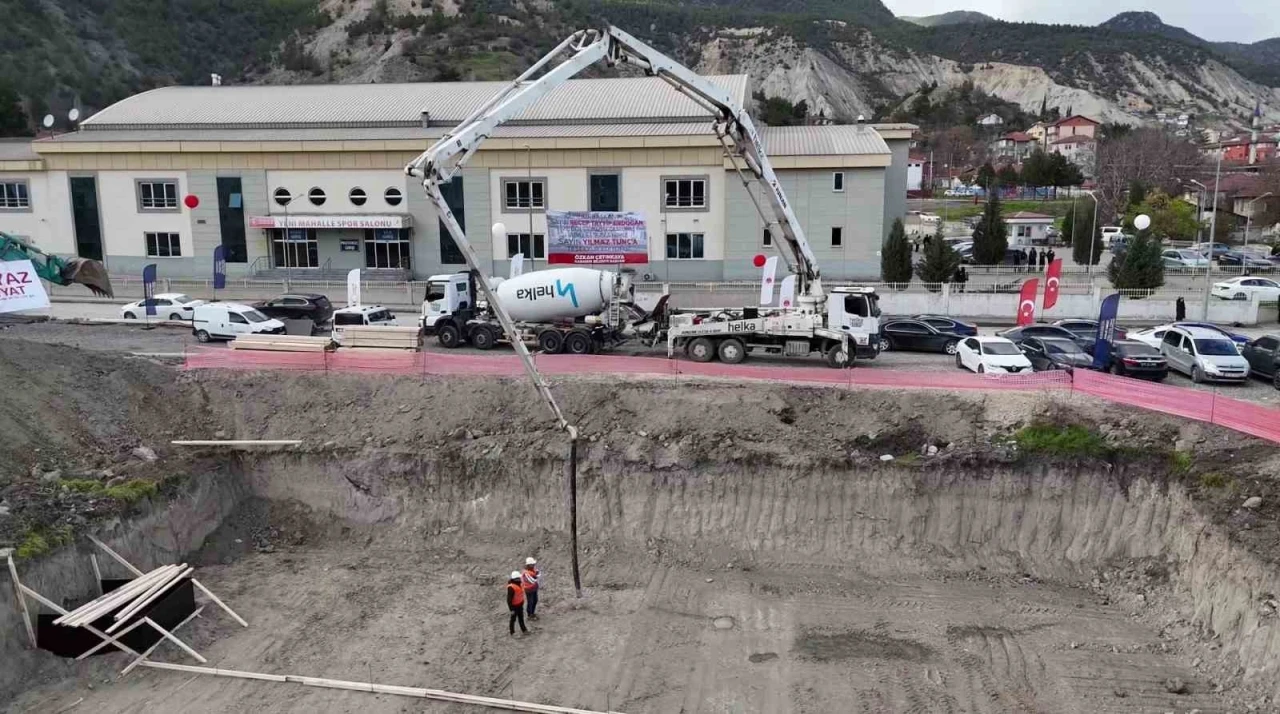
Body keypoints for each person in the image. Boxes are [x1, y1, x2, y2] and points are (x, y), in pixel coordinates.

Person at [506, 571, 528, 635]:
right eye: (519, 578)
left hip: (520, 605)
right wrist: (511, 609)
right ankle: (512, 632)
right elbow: (509, 600)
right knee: (513, 619)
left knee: (521, 618)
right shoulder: (511, 587)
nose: (520, 579)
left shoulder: (519, 584)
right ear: (515, 579)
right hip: (514, 606)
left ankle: (524, 630)